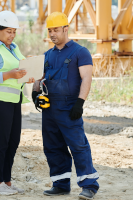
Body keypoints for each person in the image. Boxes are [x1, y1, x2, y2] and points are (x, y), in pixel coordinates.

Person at [32, 12, 99, 200]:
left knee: (78, 146)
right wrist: (35, 93)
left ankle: (89, 185)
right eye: (50, 31)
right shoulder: (47, 55)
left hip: (70, 107)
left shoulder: (80, 52)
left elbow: (87, 77)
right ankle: (60, 184)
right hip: (50, 108)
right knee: (53, 146)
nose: (52, 34)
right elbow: (39, 79)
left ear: (65, 29)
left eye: (56, 30)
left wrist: (80, 102)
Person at [0, 11, 35, 196]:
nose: (11, 35)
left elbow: (21, 69)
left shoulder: (13, 47)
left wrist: (27, 76)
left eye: (14, 32)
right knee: (0, 142)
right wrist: (9, 74)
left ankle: (6, 182)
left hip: (13, 100)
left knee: (13, 141)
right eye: (8, 31)